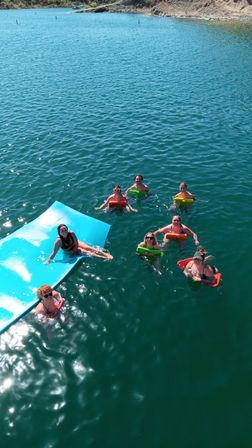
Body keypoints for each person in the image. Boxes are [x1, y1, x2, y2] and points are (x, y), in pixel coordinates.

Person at [44, 224, 113, 264]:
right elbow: (54, 253)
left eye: (65, 230)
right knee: (86, 252)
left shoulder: (71, 233)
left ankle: (105, 254)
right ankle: (103, 258)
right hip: (69, 249)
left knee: (89, 248)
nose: (64, 231)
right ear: (59, 232)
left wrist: (75, 250)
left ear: (67, 230)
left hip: (75, 244)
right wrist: (48, 261)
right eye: (62, 231)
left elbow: (76, 243)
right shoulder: (58, 241)